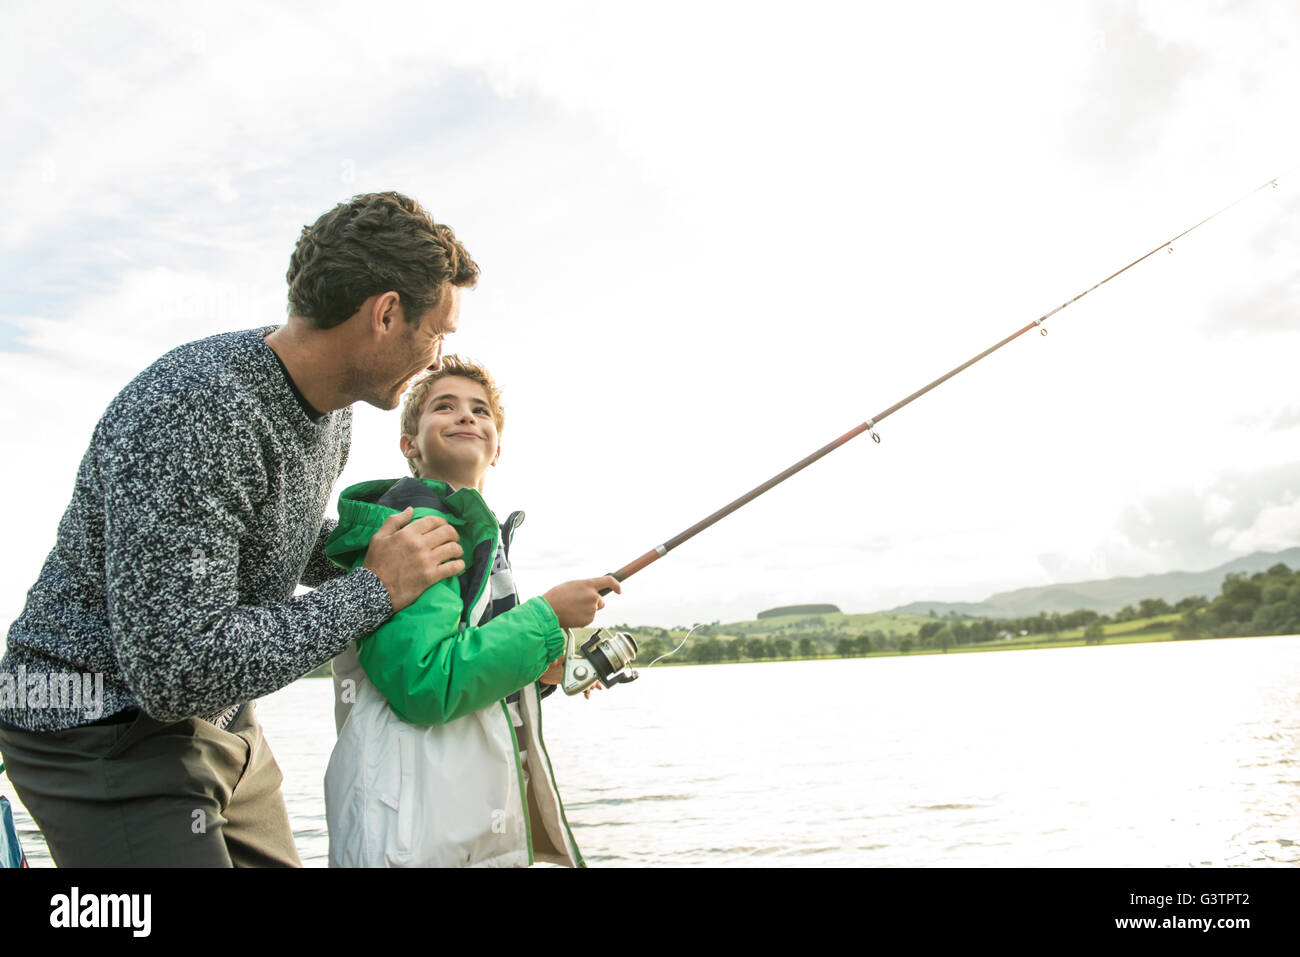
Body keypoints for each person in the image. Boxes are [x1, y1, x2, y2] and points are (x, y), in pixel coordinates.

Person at [0, 191, 475, 866]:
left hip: (218, 716)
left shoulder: (329, 406)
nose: (436, 356)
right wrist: (372, 588)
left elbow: (261, 528)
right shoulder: (196, 411)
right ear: (387, 313)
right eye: (439, 333)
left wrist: (366, 554)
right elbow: (175, 668)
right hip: (97, 727)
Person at [325, 356, 619, 867]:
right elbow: (426, 682)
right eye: (445, 407)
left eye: (480, 411)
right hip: (411, 829)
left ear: (497, 447)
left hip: (465, 820)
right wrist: (548, 616)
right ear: (409, 445)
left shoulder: (480, 536)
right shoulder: (416, 527)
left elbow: (473, 666)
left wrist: (540, 672)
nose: (466, 417)